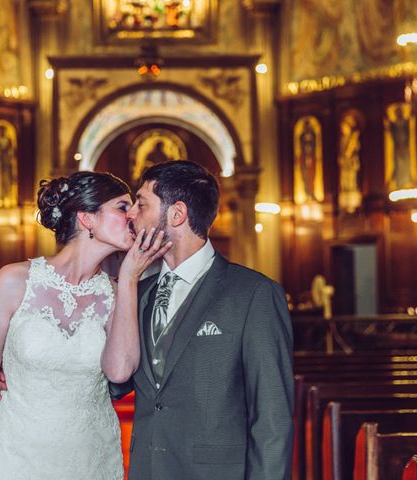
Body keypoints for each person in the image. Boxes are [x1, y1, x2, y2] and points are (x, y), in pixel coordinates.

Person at [0, 171, 171, 480]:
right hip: (15, 450)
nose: (131, 215)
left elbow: (120, 371)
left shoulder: (118, 292)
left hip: (90, 453)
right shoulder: (13, 280)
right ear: (87, 218)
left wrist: (129, 277)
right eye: (121, 206)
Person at [117, 160, 294, 479]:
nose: (130, 213)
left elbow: (272, 419)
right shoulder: (137, 292)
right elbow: (115, 382)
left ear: (177, 214)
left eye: (141, 204)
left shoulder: (253, 295)